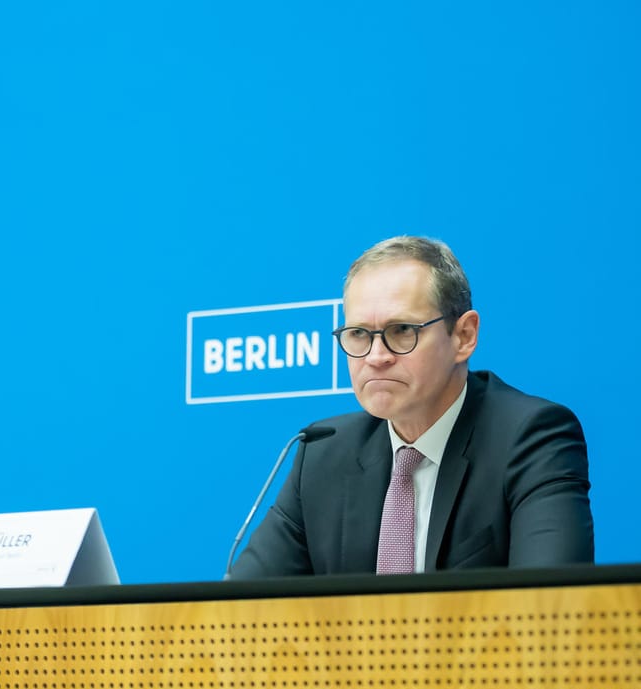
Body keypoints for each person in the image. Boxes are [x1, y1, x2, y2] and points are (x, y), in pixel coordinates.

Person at [231, 236, 593, 578]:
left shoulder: (530, 438)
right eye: (358, 334)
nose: (376, 356)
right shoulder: (322, 454)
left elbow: (551, 611)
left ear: (464, 336)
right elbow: (237, 615)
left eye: (402, 330)